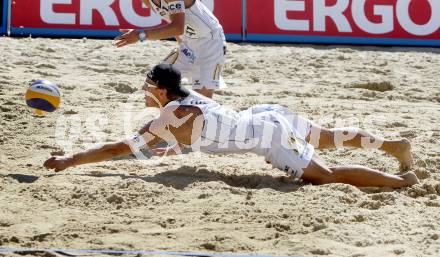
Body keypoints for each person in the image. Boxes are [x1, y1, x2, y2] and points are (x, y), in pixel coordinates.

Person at [44, 64, 419, 188]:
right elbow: (201, 130)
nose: (142, 91)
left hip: (269, 137)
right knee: (326, 138)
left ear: (159, 89)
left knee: (325, 175)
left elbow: (117, 149)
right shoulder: (192, 97)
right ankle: (393, 147)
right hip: (264, 114)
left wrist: (68, 161)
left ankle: (403, 183)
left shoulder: (166, 118)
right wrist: (176, 146)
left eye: (146, 86)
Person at [114, 0, 226, 98]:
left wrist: (141, 35)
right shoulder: (147, 1)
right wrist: (182, 44)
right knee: (154, 85)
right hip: (188, 42)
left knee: (202, 102)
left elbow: (177, 27)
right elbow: (171, 19)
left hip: (210, 41)